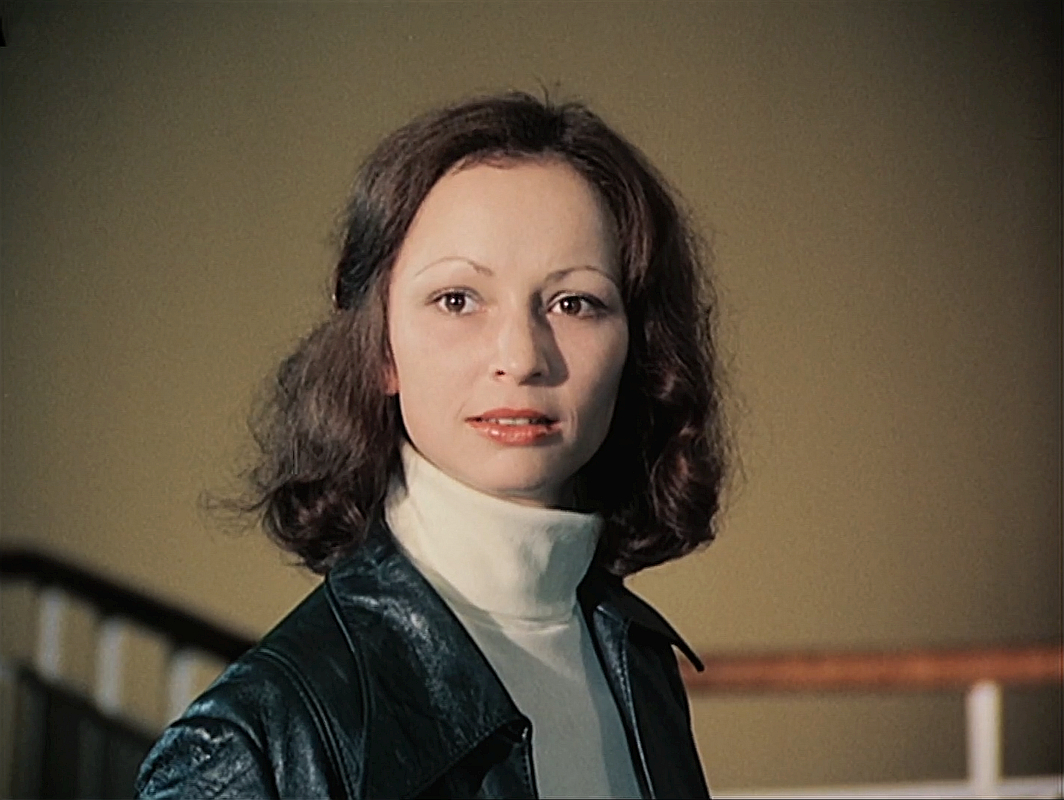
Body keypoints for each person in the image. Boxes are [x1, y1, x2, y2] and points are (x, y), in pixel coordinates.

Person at [136, 91, 729, 799]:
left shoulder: (639, 662)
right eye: (458, 300)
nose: (521, 358)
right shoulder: (253, 742)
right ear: (380, 347)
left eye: (574, 303)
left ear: (637, 348)